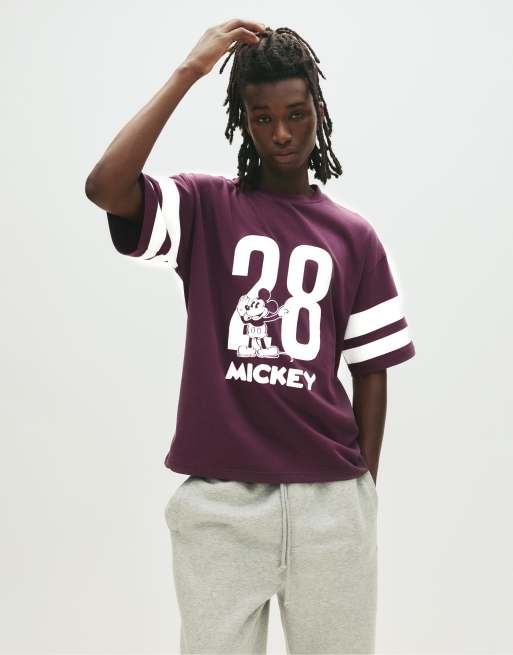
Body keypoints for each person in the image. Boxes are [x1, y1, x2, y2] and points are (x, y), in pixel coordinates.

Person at [85, 19, 416, 655]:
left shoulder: (355, 238)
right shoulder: (205, 208)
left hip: (331, 506)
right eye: (263, 118)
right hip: (221, 508)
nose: (282, 133)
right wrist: (189, 71)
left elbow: (371, 368)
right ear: (243, 120)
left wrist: (363, 492)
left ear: (318, 112)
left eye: (295, 114)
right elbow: (105, 187)